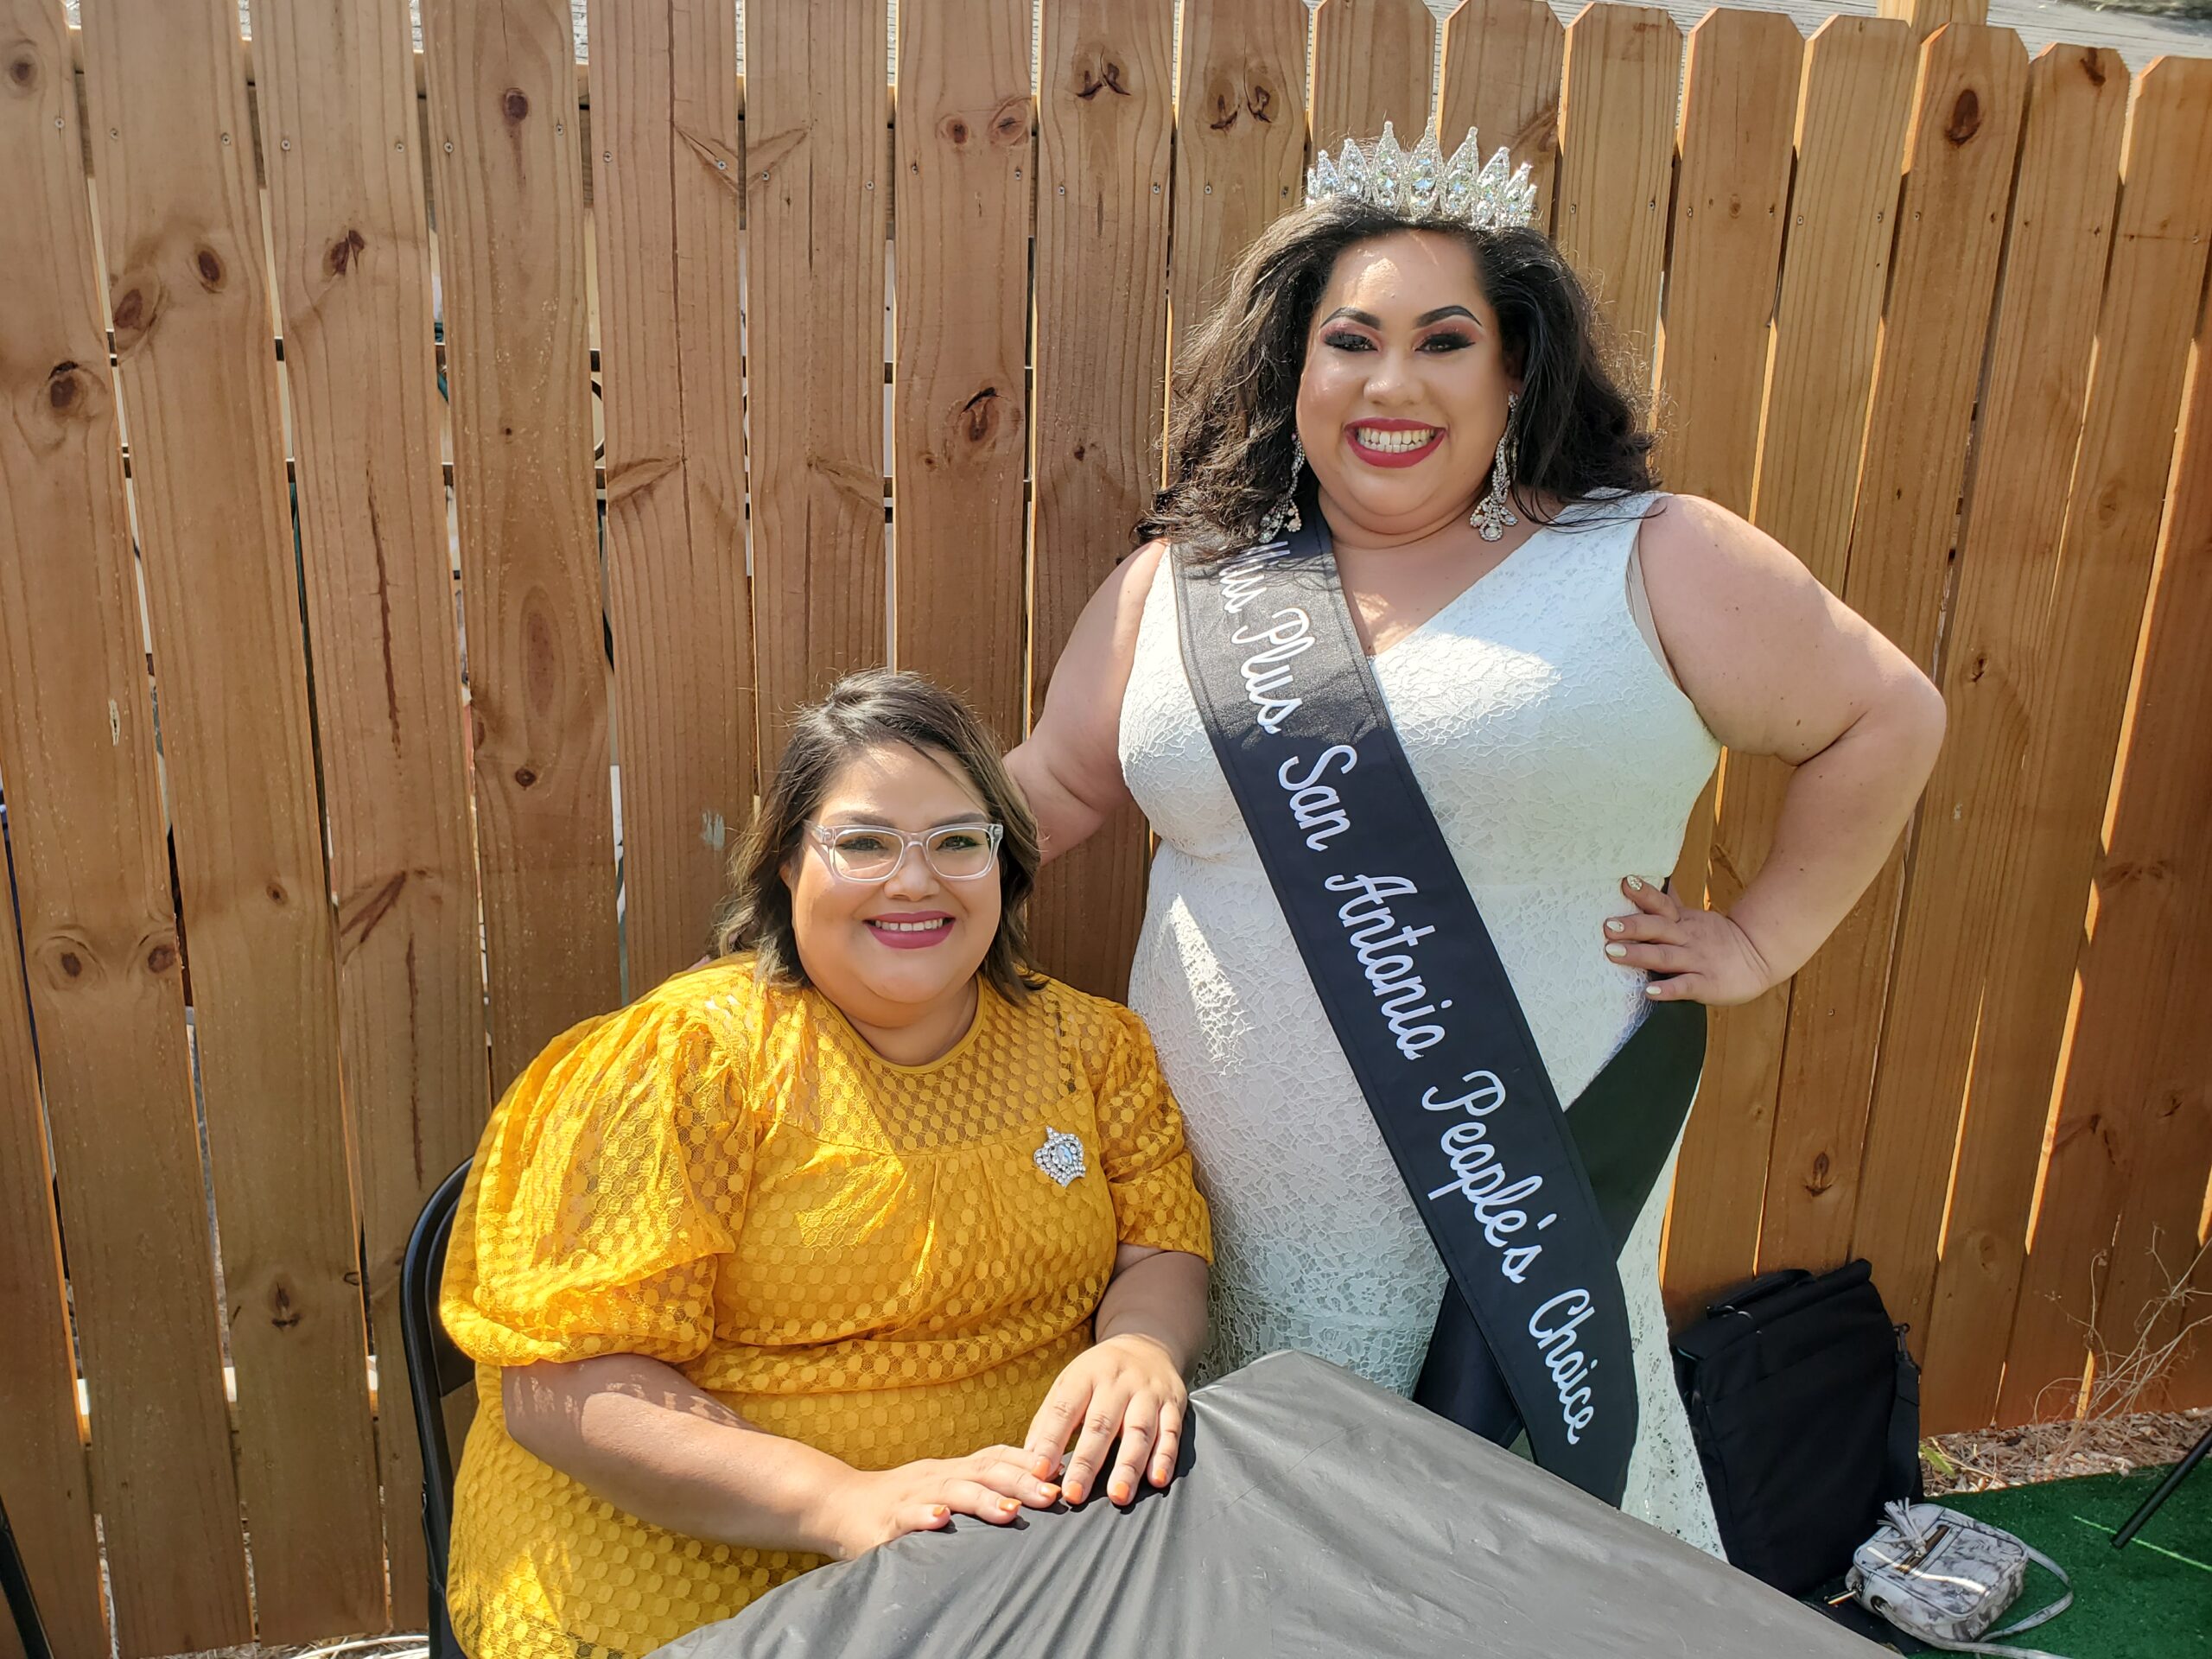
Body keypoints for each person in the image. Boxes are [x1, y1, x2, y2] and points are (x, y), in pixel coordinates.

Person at [1007, 127, 1945, 1551]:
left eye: (1445, 342)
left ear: (1518, 373)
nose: (1391, 383)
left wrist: (1765, 938)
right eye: (1350, 341)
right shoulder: (1185, 582)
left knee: (1511, 1563)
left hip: (1515, 1208)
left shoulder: (1650, 556)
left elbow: (1887, 715)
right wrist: (862, 851)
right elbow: (1059, 787)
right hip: (1205, 1220)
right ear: (1293, 370)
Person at [440, 670, 1211, 1659]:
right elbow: (562, 1391)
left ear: (1006, 863)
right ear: (786, 866)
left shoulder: (1091, 1048)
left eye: (957, 842)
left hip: (1015, 1559)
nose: (914, 880)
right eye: (864, 843)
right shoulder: (688, 1062)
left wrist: (1141, 1346)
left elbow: (1158, 1246)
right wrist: (842, 1500)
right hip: (693, 1569)